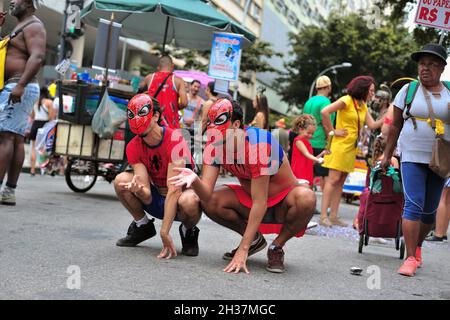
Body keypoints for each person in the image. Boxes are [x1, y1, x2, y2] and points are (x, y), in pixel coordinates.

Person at [169, 98, 315, 274]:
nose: (213, 130)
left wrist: (242, 250)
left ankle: (276, 246)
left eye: (219, 123)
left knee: (307, 197)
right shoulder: (214, 145)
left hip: (282, 203)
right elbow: (206, 195)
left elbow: (260, 201)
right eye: (210, 123)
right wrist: (195, 179)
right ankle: (254, 239)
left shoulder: (257, 143)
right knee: (210, 201)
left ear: (236, 124)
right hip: (251, 200)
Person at [382, 43, 450, 277]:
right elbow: (395, 126)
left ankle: (418, 246)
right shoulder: (408, 91)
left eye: (432, 64)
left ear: (442, 68)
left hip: (441, 159)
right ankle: (410, 256)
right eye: (422, 64)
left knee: (430, 211)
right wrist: (387, 154)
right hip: (411, 155)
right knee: (414, 204)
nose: (425, 68)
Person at [113, 94, 202, 258]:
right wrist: (139, 190)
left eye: (142, 113)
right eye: (132, 114)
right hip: (158, 198)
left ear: (156, 115)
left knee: (189, 201)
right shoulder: (133, 146)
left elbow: (174, 191)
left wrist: (164, 232)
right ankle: (143, 226)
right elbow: (147, 196)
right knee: (121, 181)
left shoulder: (175, 139)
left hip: (180, 198)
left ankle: (188, 230)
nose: (137, 119)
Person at [320, 76, 383, 227]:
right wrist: (333, 131)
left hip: (351, 147)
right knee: (333, 180)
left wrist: (389, 116)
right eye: (371, 91)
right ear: (363, 89)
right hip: (340, 146)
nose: (373, 94)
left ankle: (334, 216)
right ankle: (323, 216)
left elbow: (373, 125)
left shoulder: (362, 105)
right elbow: (324, 112)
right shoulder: (346, 100)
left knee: (340, 181)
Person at [0, 0, 46, 206]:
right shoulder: (22, 25)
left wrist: (20, 85)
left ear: (28, 3)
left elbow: (37, 57)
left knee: (5, 138)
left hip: (19, 86)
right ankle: (9, 191)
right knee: (15, 138)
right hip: (17, 86)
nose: (11, 1)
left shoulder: (34, 25)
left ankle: (7, 188)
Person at [303, 75, 335, 191]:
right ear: (328, 87)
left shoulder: (309, 101)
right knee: (324, 177)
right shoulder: (326, 102)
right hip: (320, 143)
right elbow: (327, 125)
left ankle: (306, 203)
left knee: (307, 175)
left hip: (306, 142)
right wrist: (330, 143)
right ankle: (320, 206)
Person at [142, 55, 187, 129]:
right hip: (171, 126)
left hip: (151, 125)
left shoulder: (149, 78)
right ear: (172, 66)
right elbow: (184, 103)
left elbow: (140, 95)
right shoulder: (178, 81)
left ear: (158, 67)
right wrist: (176, 107)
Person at [291, 114, 328, 187]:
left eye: (312, 134)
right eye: (308, 133)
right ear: (301, 129)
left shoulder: (307, 143)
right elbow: (306, 154)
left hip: (307, 173)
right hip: (300, 173)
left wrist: (322, 153)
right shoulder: (298, 141)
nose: (310, 136)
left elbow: (311, 161)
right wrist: (319, 160)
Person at [29, 86, 55, 176]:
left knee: (33, 148)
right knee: (45, 148)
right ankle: (44, 169)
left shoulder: (35, 102)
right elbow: (51, 117)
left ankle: (32, 170)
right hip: (45, 126)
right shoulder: (49, 102)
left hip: (35, 125)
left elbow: (32, 116)